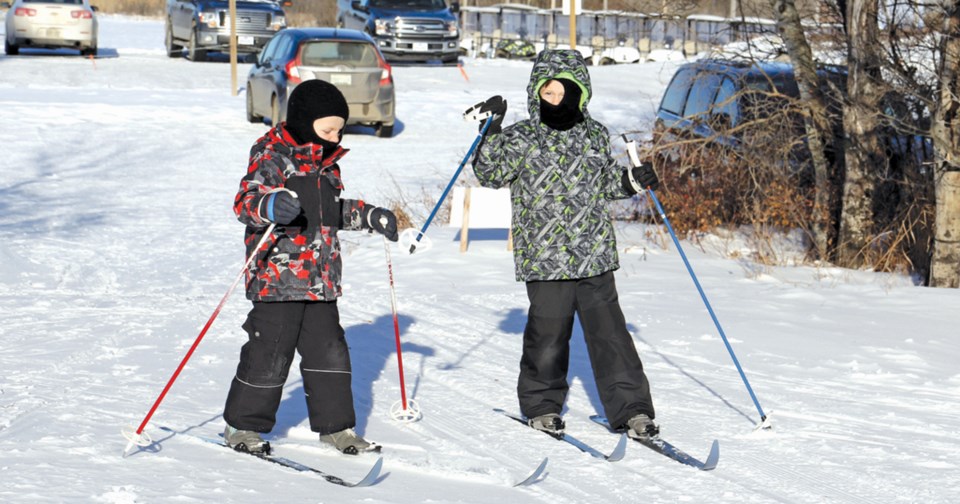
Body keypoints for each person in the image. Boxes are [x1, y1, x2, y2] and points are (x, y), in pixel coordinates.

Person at [467, 49, 661, 440]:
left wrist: (632, 180)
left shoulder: (594, 134)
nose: (553, 101)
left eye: (561, 93)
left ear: (579, 93)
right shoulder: (522, 136)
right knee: (548, 334)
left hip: (594, 253)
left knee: (610, 334)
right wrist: (491, 130)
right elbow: (490, 172)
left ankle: (633, 409)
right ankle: (541, 405)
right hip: (545, 255)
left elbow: (605, 181)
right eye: (546, 94)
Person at [223, 79, 399, 455]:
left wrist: (369, 215)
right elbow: (245, 201)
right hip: (276, 279)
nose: (335, 137)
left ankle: (337, 428)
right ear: (305, 122)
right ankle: (243, 426)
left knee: (330, 352)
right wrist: (269, 205)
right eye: (327, 129)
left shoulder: (327, 164)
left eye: (339, 130)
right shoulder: (272, 154)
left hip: (320, 281)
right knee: (269, 352)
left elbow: (330, 212)